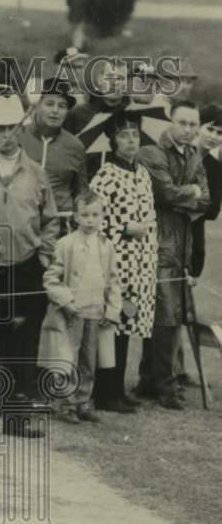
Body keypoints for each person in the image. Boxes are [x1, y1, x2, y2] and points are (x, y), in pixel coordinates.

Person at [0, 94, 60, 435]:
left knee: (23, 341)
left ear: (20, 129)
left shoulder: (36, 173)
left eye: (11, 127)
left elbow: (50, 219)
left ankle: (16, 417)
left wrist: (44, 252)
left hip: (25, 266)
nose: (5, 134)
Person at [136, 101, 210, 409]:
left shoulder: (194, 154)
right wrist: (189, 193)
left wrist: (189, 194)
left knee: (173, 317)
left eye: (194, 124)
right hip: (158, 244)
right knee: (163, 318)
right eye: (183, 122)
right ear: (171, 121)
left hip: (182, 246)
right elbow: (163, 194)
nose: (189, 129)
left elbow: (206, 199)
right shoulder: (152, 152)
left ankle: (150, 380)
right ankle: (164, 387)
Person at [90, 113, 158, 413]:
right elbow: (95, 219)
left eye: (134, 134)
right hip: (116, 259)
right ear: (113, 140)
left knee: (128, 322)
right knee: (112, 324)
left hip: (141, 261)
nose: (131, 140)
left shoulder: (142, 172)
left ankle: (117, 387)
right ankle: (105, 392)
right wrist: (124, 228)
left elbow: (150, 215)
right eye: (124, 135)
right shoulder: (105, 175)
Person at [38, 191, 122, 424]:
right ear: (75, 216)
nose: (90, 220)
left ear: (103, 216)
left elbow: (114, 281)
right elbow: (51, 279)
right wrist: (65, 301)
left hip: (96, 311)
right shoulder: (66, 244)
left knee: (89, 360)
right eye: (84, 215)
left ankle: (83, 401)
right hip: (72, 313)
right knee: (67, 359)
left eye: (95, 214)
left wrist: (112, 310)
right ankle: (65, 403)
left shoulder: (107, 246)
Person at [21, 76, 87, 233]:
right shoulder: (18, 137)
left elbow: (81, 193)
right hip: (22, 223)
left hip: (61, 227)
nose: (55, 111)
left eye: (62, 106)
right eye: (49, 104)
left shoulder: (75, 146)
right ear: (37, 106)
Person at [65, 60, 130, 177]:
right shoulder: (79, 114)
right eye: (109, 77)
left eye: (120, 78)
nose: (114, 83)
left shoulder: (133, 113)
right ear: (100, 80)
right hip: (85, 187)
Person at [193, 104, 222, 279]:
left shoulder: (216, 167)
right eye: (210, 129)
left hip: (194, 243)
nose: (213, 136)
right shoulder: (176, 155)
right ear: (198, 126)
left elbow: (213, 211)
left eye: (219, 133)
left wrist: (185, 198)